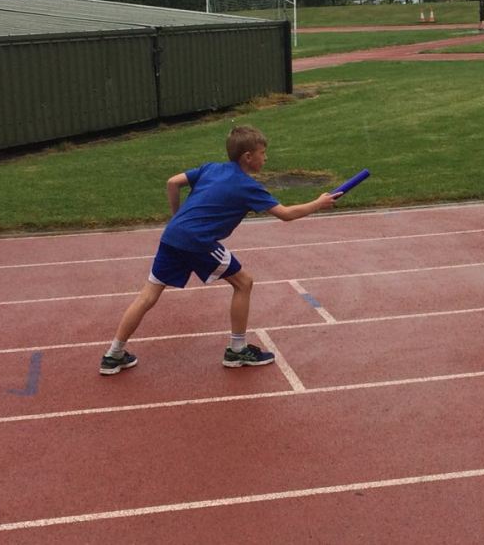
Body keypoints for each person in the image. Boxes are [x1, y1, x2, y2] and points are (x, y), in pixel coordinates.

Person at [99, 125, 339, 375]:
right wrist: (319, 203)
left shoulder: (211, 168)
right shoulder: (248, 186)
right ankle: (237, 349)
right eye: (263, 153)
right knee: (244, 283)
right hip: (198, 242)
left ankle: (113, 354)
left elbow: (173, 182)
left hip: (172, 236)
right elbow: (286, 214)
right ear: (248, 156)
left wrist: (177, 217)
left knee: (147, 296)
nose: (266, 158)